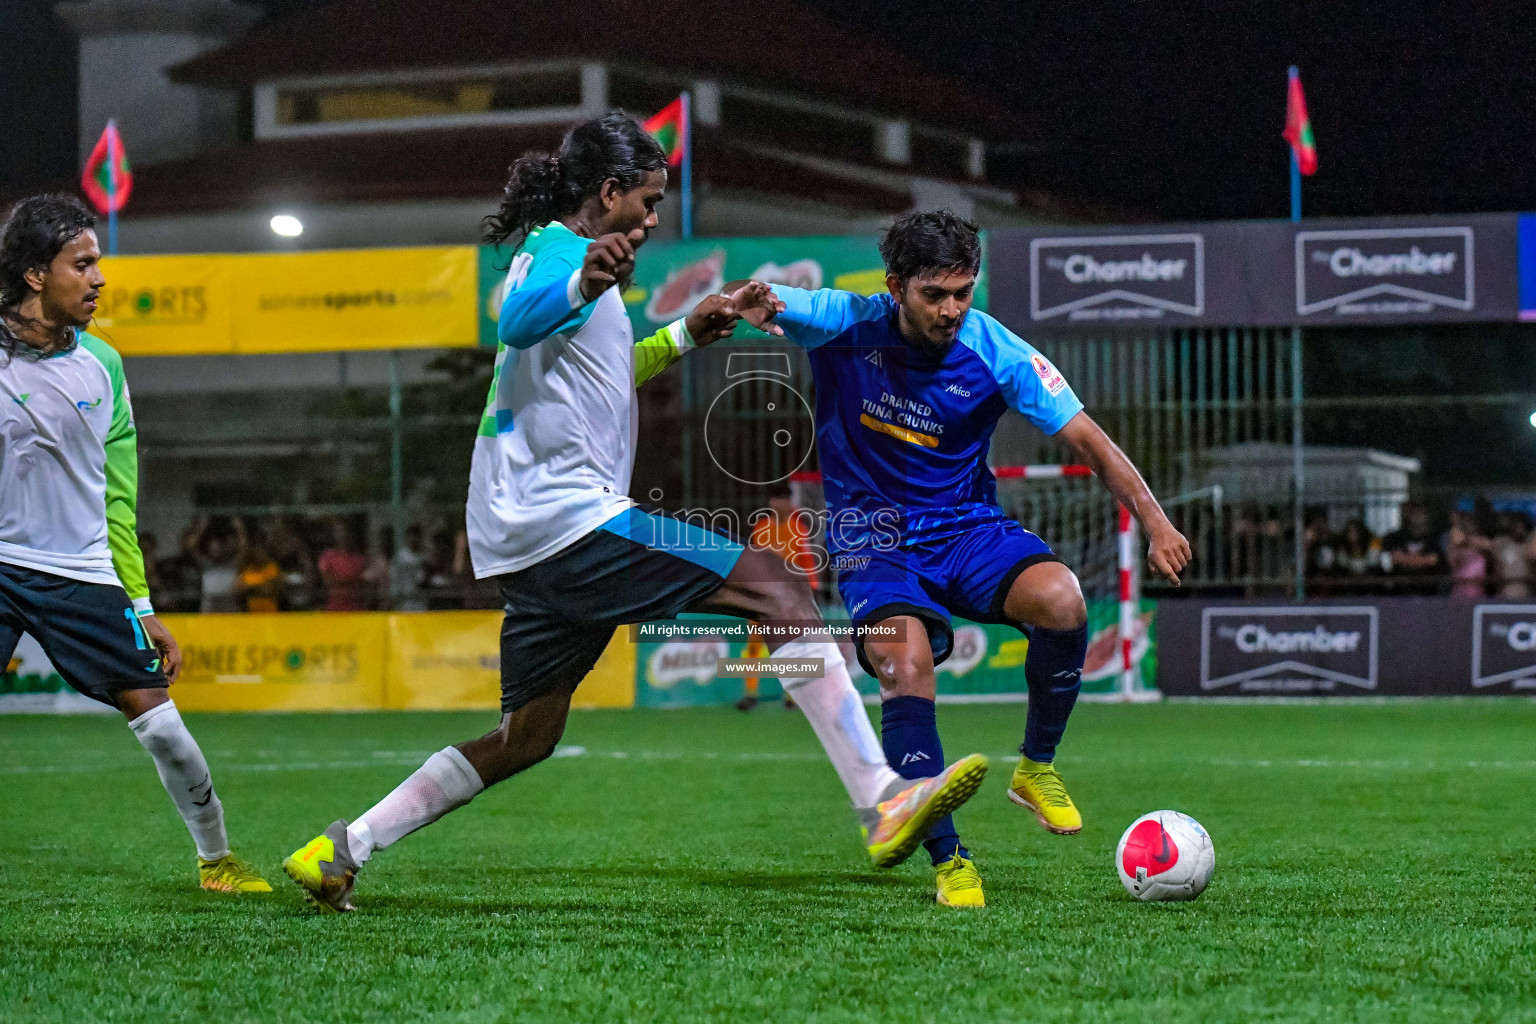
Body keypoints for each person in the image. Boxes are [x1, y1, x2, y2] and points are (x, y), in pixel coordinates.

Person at [282, 113, 986, 913]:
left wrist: (685, 333)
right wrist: (587, 276)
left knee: (528, 737)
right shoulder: (555, 253)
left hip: (528, 539)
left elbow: (604, 366)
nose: (654, 219)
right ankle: (880, 797)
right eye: (646, 202)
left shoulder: (578, 270)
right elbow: (514, 321)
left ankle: (344, 846)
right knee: (779, 586)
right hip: (565, 521)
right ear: (607, 193)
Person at [728, 210, 1191, 907]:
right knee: (905, 667)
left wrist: (1155, 523)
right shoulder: (844, 320)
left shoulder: (997, 350)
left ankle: (1036, 767)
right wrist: (753, 299)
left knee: (1062, 598)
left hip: (966, 531)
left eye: (962, 292)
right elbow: (767, 296)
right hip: (874, 540)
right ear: (895, 287)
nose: (951, 310)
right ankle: (951, 861)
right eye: (934, 295)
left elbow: (1090, 440)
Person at [0, 194, 268, 892]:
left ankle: (217, 861)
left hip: (79, 573)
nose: (99, 279)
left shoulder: (104, 367)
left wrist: (141, 603)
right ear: (34, 274)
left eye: (98, 264)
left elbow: (117, 497)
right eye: (81, 264)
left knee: (164, 727)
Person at [1380, 502, 1445, 595]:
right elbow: (1393, 558)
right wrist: (1421, 560)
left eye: (1421, 514)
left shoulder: (1434, 538)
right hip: (1400, 591)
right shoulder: (1395, 537)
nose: (1418, 518)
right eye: (1415, 514)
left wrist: (1406, 559)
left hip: (1428, 592)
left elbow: (1433, 560)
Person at [317, 517, 368, 611]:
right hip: (334, 608)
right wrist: (350, 579)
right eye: (338, 532)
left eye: (344, 532)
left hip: (355, 608)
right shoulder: (327, 556)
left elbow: (363, 583)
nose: (342, 535)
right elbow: (327, 580)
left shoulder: (358, 558)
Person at [389, 524, 429, 611]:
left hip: (420, 601)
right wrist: (394, 596)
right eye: (411, 536)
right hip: (404, 601)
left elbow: (424, 579)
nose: (414, 539)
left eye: (416, 537)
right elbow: (395, 578)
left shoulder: (424, 557)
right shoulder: (401, 557)